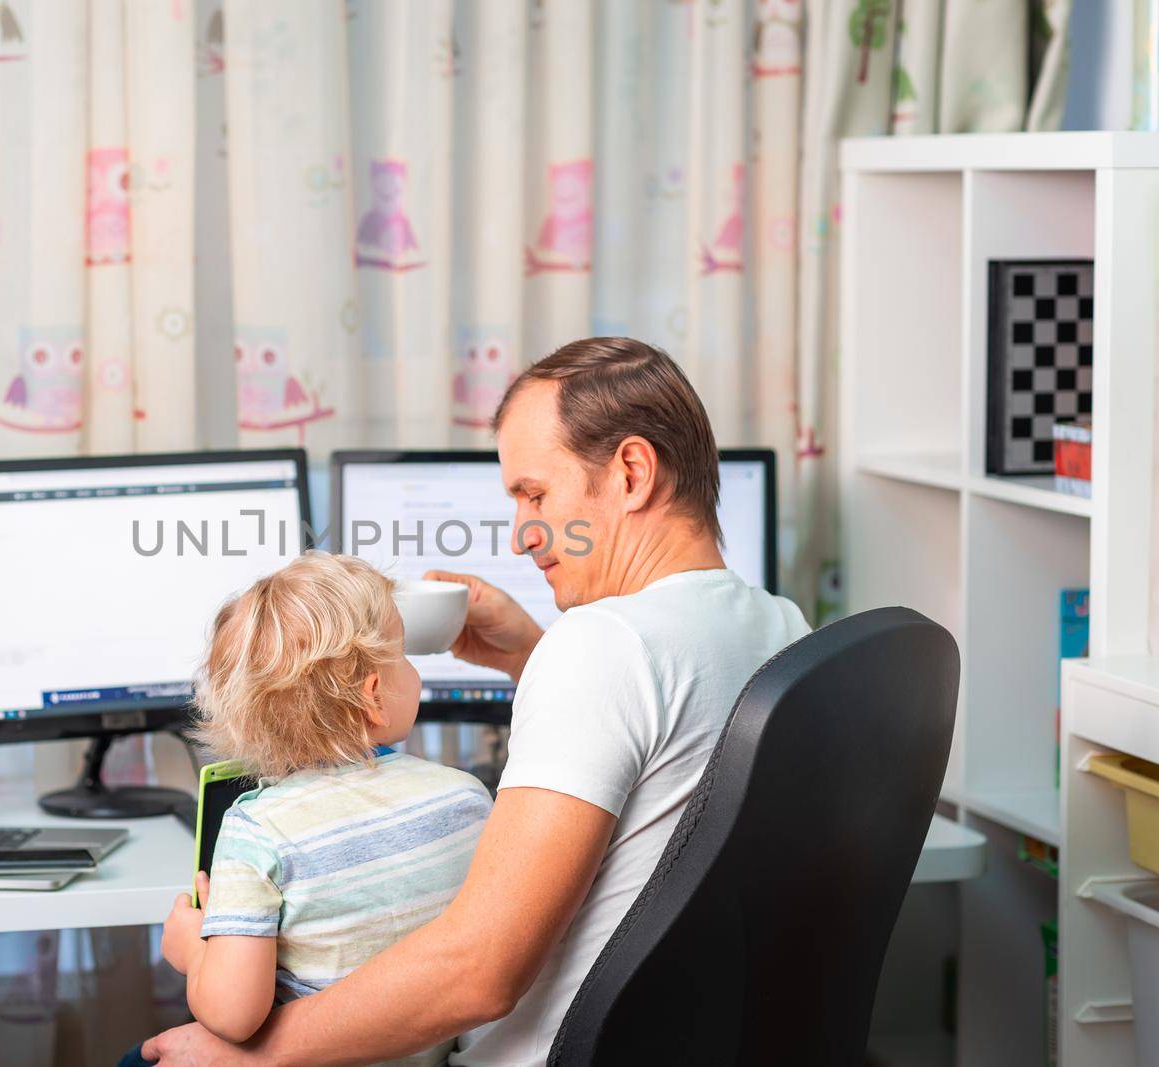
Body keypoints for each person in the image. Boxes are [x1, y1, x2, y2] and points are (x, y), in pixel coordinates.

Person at [142, 337, 811, 1066]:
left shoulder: (603, 646)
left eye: (535, 494)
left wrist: (254, 1058)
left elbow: (477, 973)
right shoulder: (783, 629)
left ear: (631, 472)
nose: (522, 535)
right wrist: (533, 652)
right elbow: (668, 750)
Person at [142, 551, 492, 1067]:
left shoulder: (256, 831)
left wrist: (194, 952)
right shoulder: (466, 797)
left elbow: (235, 1016)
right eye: (404, 654)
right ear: (374, 696)